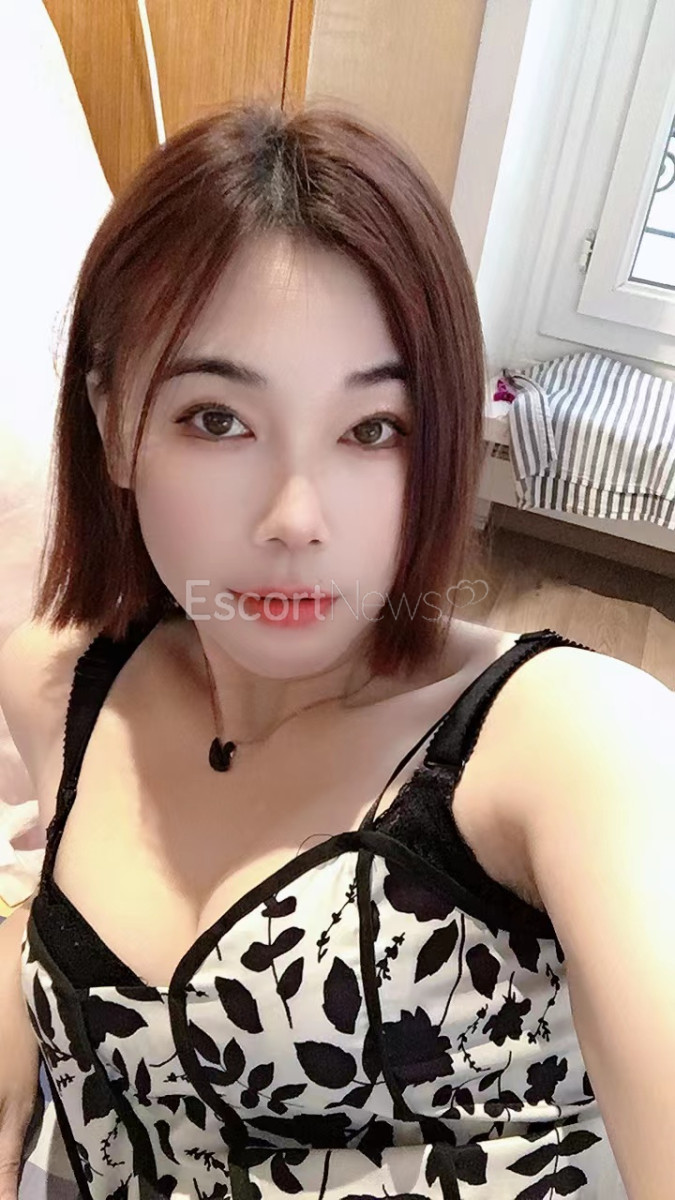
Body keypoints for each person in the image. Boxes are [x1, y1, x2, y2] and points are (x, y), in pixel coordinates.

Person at [0, 99, 673, 1200]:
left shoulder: (572, 745)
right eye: (218, 419)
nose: (296, 518)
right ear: (114, 423)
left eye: (373, 430)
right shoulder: (57, 681)